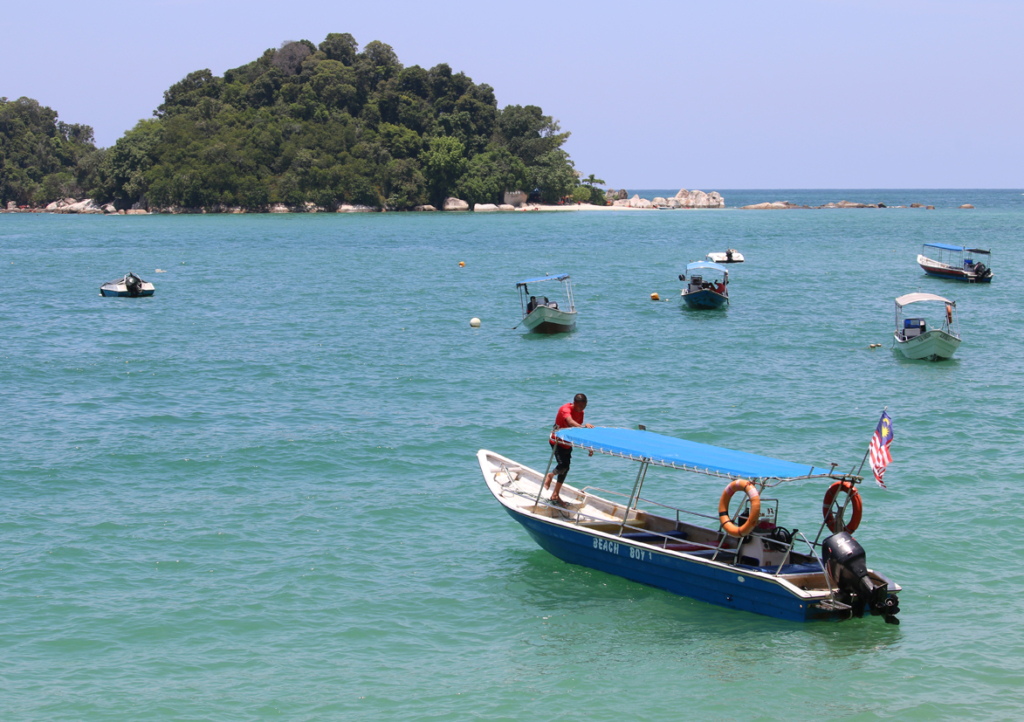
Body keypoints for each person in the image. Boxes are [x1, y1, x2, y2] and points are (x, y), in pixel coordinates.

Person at [544, 393, 594, 504]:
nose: (582, 409)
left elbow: (577, 432)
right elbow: (570, 422)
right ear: (574, 403)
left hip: (568, 442)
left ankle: (555, 495)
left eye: (584, 407)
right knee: (563, 465)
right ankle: (550, 475)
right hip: (557, 441)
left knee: (566, 468)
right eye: (580, 406)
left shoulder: (581, 412)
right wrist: (584, 427)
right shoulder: (565, 409)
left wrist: (588, 446)